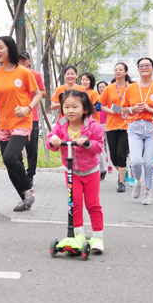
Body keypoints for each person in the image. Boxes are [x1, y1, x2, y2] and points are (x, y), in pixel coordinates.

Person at [0, 36, 42, 212]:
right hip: (4, 123)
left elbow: (38, 94)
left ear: (10, 48)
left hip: (22, 122)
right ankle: (25, 199)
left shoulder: (24, 72)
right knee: (11, 163)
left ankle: (28, 188)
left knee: (9, 156)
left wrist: (28, 108)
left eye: (1, 47)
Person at [47, 90, 105, 253]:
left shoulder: (93, 126)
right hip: (72, 172)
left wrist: (87, 143)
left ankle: (98, 236)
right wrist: (54, 141)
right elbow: (50, 142)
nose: (70, 111)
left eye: (75, 107)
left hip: (90, 171)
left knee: (92, 204)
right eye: (66, 107)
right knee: (75, 203)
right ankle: (78, 234)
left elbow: (99, 146)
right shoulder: (61, 124)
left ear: (85, 109)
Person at [121, 57, 153, 205]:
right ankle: (138, 181)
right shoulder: (131, 88)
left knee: (149, 164)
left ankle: (148, 192)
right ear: (138, 69)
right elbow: (122, 108)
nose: (144, 68)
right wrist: (133, 109)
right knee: (136, 161)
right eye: (141, 66)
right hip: (135, 128)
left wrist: (151, 109)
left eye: (147, 65)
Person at [99, 62, 132, 192]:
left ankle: (121, 181)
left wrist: (126, 110)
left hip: (127, 125)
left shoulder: (131, 87)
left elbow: (135, 104)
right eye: (115, 69)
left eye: (120, 69)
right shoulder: (109, 88)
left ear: (126, 72)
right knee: (113, 156)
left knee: (121, 154)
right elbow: (101, 105)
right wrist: (111, 111)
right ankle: (123, 171)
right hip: (112, 125)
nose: (117, 71)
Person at [18, 51, 46, 187]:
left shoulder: (36, 75)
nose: (21, 62)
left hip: (32, 117)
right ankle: (21, 173)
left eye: (24, 60)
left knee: (32, 149)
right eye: (19, 60)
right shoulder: (13, 75)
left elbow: (43, 92)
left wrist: (33, 92)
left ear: (29, 61)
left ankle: (30, 175)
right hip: (16, 118)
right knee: (15, 150)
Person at [81, 72, 104, 179]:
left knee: (95, 146)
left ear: (91, 81)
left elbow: (98, 108)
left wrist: (86, 109)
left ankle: (102, 168)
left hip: (93, 123)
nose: (84, 82)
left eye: (87, 80)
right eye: (83, 80)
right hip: (81, 123)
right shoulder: (79, 92)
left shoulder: (94, 93)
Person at [96, 80, 111, 179]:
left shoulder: (110, 98)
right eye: (100, 87)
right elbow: (96, 109)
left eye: (103, 87)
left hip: (110, 124)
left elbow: (117, 109)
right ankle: (103, 167)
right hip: (99, 124)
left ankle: (110, 165)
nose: (102, 89)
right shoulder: (97, 98)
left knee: (109, 146)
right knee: (100, 146)